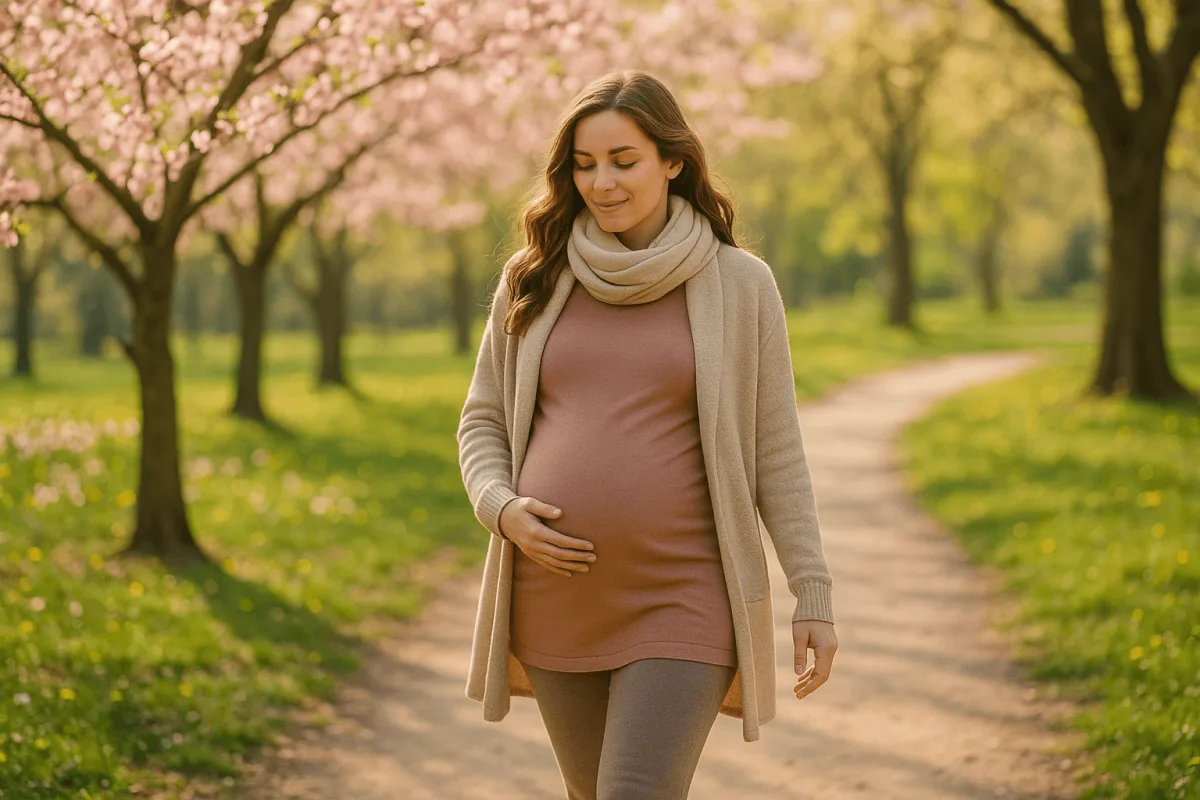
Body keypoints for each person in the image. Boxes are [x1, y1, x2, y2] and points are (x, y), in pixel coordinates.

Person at [457, 70, 838, 800]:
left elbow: (776, 452)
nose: (601, 182)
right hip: (556, 594)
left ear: (673, 161)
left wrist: (812, 593)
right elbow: (481, 421)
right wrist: (500, 508)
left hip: (682, 594)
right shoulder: (533, 277)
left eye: (622, 160)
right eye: (584, 163)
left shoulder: (740, 284)